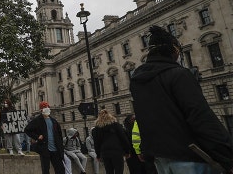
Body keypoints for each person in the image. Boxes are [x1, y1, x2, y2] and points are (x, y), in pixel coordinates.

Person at [130, 25, 233, 174]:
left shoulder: (137, 81)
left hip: (160, 159)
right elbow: (201, 118)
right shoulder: (179, 74)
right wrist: (227, 157)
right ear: (174, 49)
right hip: (190, 157)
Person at [25, 101, 65, 174]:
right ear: (41, 110)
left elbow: (59, 135)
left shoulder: (54, 121)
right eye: (44, 107)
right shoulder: (37, 120)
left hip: (56, 149)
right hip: (44, 149)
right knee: (46, 170)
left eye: (47, 107)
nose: (46, 109)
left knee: (60, 169)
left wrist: (61, 148)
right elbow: (27, 130)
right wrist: (37, 137)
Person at [93, 109, 130, 174]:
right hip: (117, 151)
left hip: (105, 152)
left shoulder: (97, 128)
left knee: (109, 171)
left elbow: (96, 143)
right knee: (119, 171)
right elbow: (123, 138)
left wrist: (98, 155)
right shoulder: (116, 125)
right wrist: (127, 151)